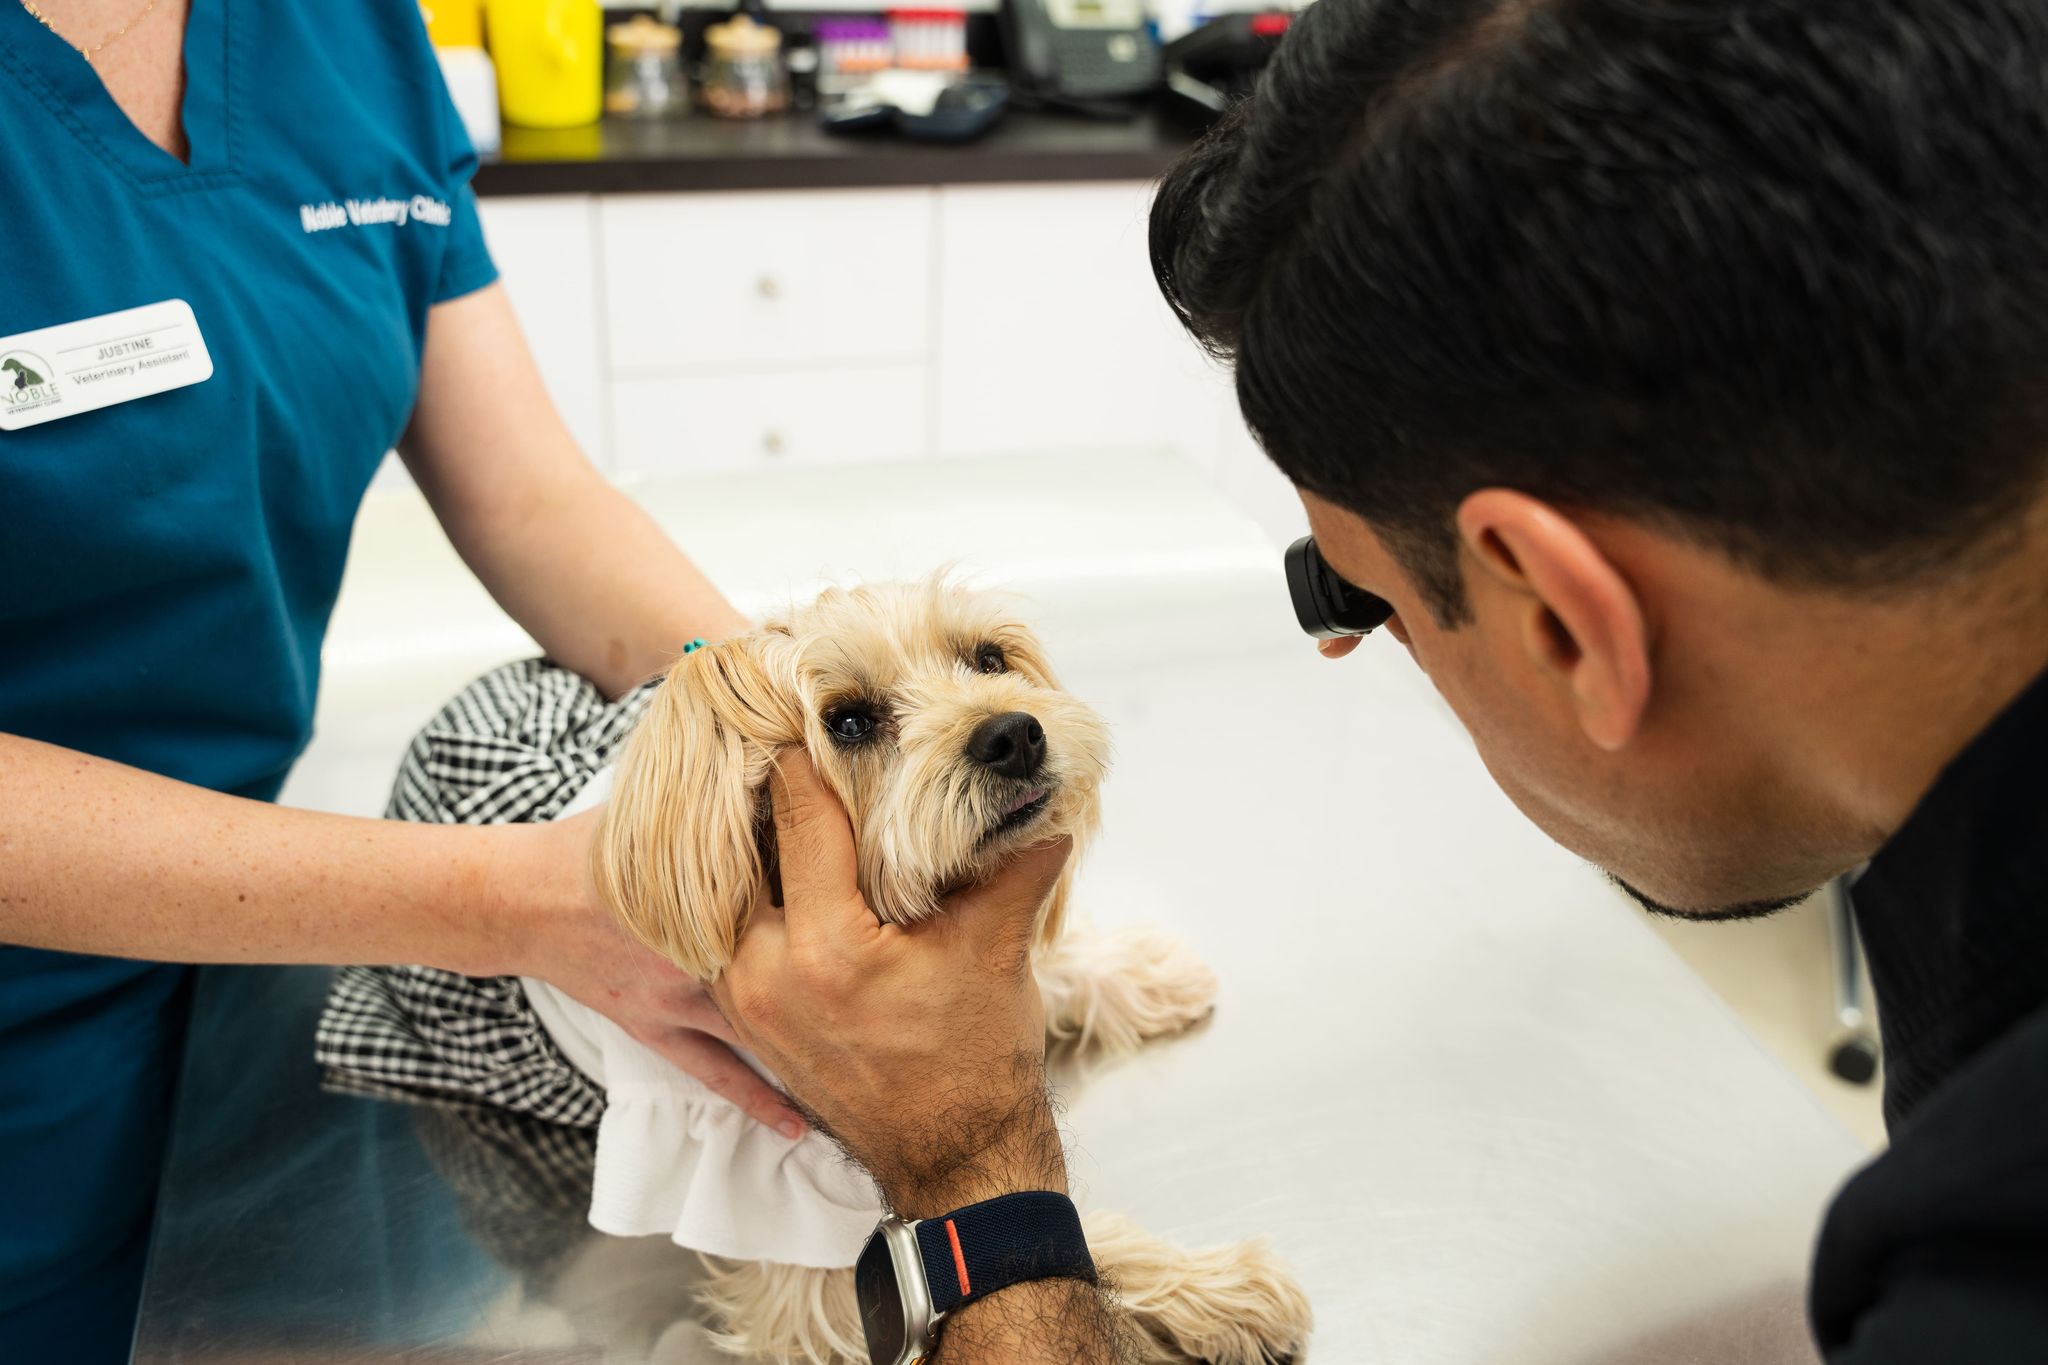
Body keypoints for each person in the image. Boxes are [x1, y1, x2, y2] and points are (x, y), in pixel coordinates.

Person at [710, 0, 2048, 1360]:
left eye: (1367, 595)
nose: (1350, 638)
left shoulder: (1991, 1261)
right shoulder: (1961, 827)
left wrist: (966, 1169)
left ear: (1565, 619)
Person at [0, 2, 804, 1358]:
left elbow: (533, 499)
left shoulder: (340, 29)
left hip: (250, 980)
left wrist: (783, 733)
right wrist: (512, 901)